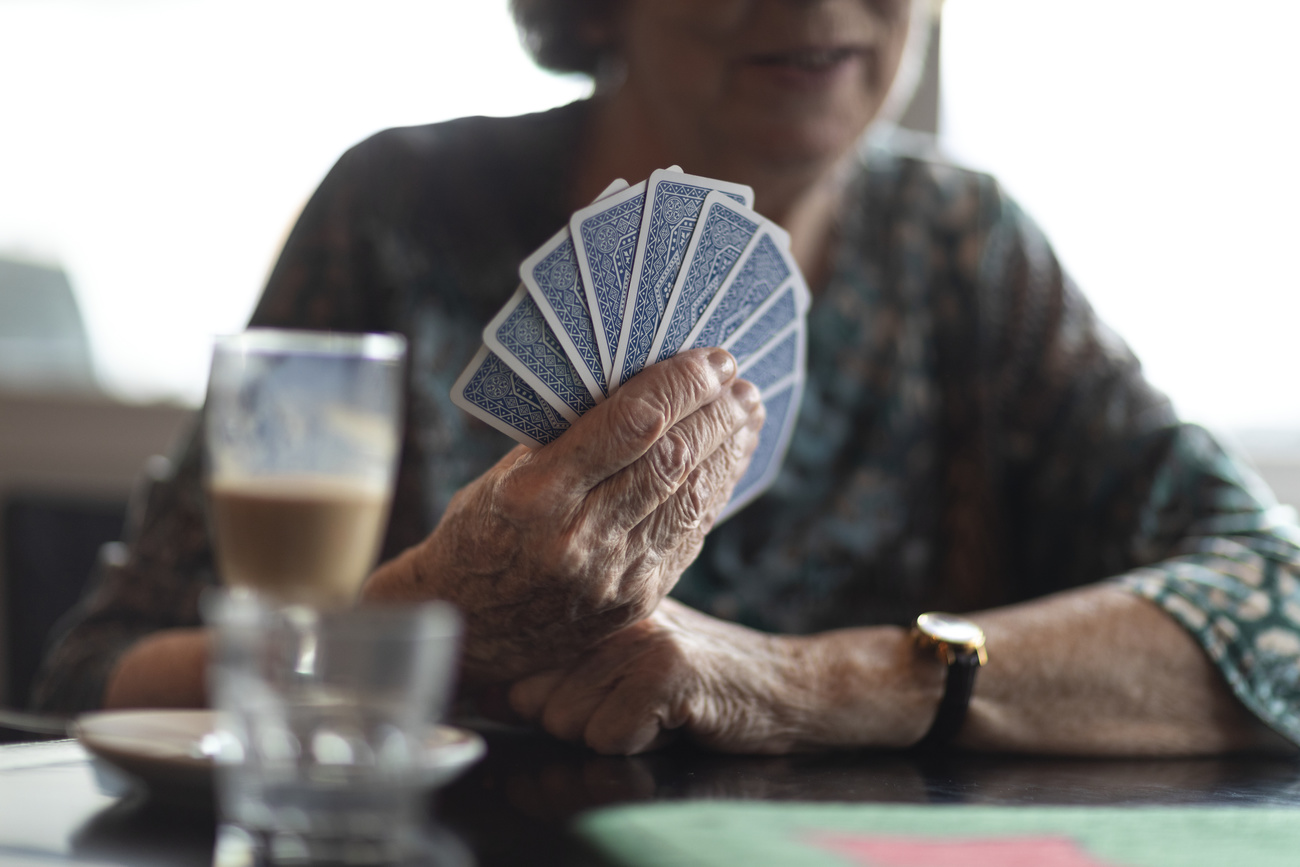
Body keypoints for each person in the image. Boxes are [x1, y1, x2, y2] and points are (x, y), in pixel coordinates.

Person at [35, 0, 1300, 756]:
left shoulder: (962, 252)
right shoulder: (398, 211)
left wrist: (799, 685)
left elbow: (1276, 605)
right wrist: (414, 634)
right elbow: (104, 669)